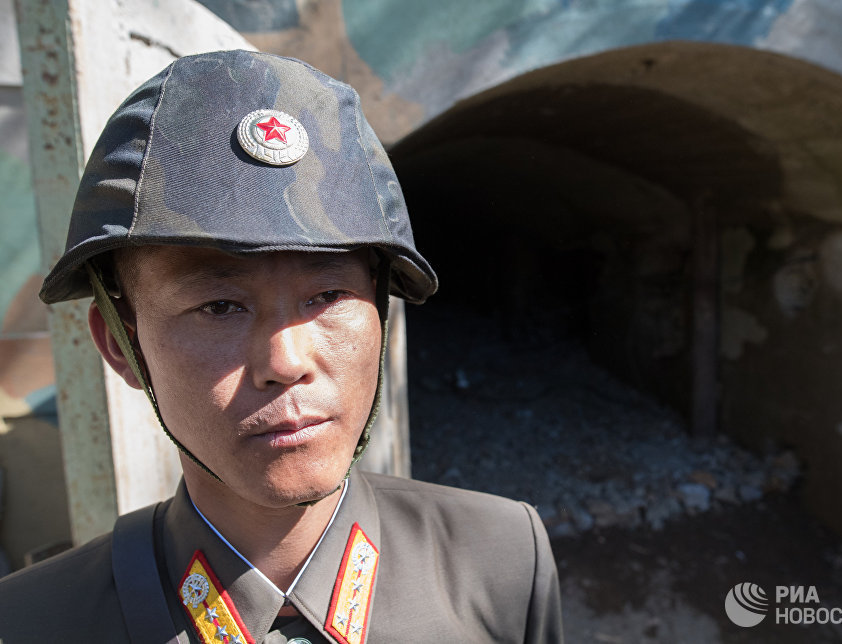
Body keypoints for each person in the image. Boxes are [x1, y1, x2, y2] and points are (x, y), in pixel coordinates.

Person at [0, 50, 562, 643]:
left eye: (327, 295)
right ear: (121, 344)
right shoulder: (32, 621)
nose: (286, 363)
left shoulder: (500, 561)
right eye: (220, 307)